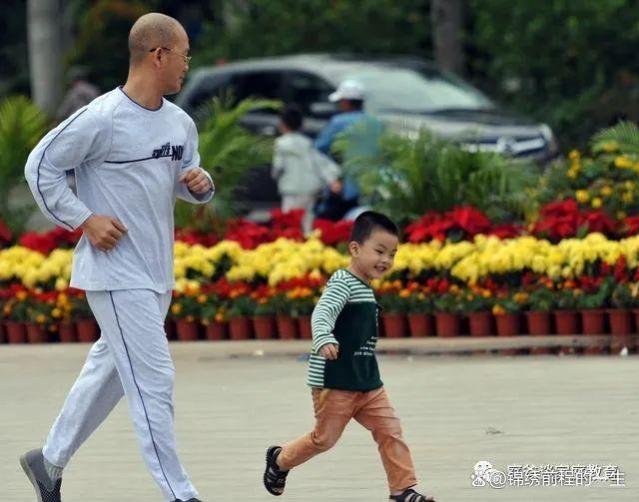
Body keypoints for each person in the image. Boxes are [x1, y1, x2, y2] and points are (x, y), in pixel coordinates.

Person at [22, 13, 212, 502]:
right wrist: (85, 219)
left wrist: (199, 184)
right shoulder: (101, 117)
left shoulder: (180, 123)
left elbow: (188, 180)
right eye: (184, 54)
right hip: (114, 273)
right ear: (157, 55)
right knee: (155, 379)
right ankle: (180, 494)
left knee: (107, 373)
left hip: (157, 273)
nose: (188, 64)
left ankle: (49, 460)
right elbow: (39, 167)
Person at [263, 211, 436, 502]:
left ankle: (402, 490)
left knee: (390, 430)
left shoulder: (365, 287)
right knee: (324, 440)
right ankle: (280, 460)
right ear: (355, 249)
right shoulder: (343, 282)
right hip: (336, 380)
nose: (386, 260)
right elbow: (323, 312)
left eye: (392, 254)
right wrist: (324, 337)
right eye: (379, 251)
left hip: (367, 381)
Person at [314, 80, 384, 221]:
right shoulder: (376, 123)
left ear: (345, 102)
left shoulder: (338, 122)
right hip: (373, 184)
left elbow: (318, 149)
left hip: (345, 187)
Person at [272, 104, 340, 235]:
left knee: (289, 219)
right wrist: (332, 179)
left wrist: (275, 176)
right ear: (301, 125)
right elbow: (320, 162)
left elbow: (278, 167)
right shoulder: (307, 142)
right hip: (309, 187)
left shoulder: (281, 143)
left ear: (282, 124)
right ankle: (309, 247)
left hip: (291, 188)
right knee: (307, 221)